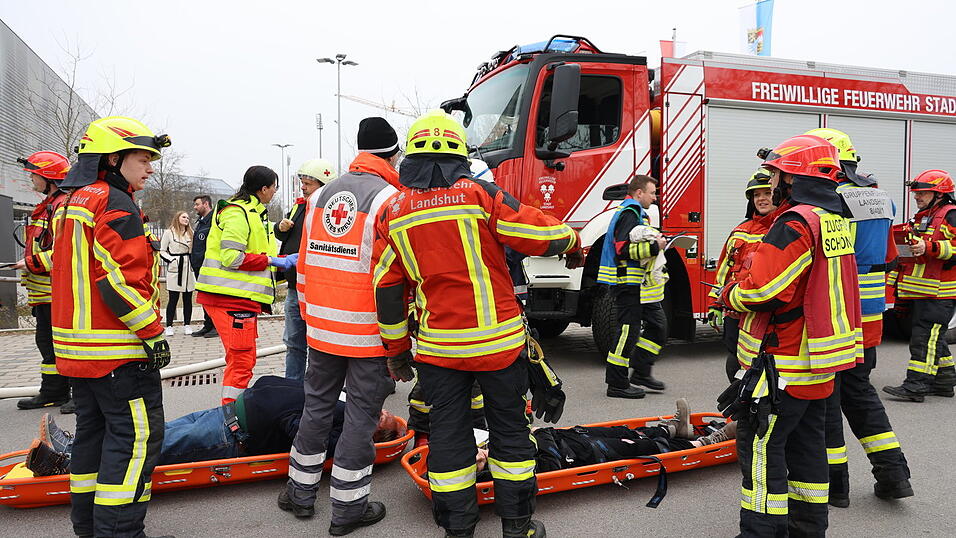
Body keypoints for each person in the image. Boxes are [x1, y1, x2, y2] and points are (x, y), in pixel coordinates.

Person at [372, 110, 583, 538]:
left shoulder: (393, 211)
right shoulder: (480, 195)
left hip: (439, 352)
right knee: (510, 435)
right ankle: (517, 527)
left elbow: (387, 290)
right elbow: (539, 235)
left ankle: (457, 530)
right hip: (499, 346)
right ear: (460, 151)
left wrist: (396, 354)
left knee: (448, 439)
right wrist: (573, 240)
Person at [718, 134, 862, 537]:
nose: (773, 181)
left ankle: (761, 533)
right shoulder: (833, 218)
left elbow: (762, 291)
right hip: (818, 364)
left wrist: (729, 292)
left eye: (777, 173)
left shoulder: (795, 222)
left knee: (762, 453)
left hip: (782, 364)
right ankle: (808, 528)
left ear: (794, 178)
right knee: (809, 450)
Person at [51, 116, 172, 538]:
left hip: (77, 351)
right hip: (117, 353)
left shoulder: (71, 201)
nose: (151, 168)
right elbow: (120, 280)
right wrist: (153, 332)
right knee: (135, 440)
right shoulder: (114, 202)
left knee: (92, 437)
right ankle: (120, 532)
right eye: (144, 158)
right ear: (114, 157)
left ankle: (87, 526)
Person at [281, 117, 402, 535]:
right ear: (393, 154)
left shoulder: (320, 197)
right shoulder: (391, 198)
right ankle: (348, 509)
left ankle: (299, 492)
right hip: (368, 333)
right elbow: (394, 275)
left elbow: (305, 266)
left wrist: (312, 318)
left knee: (314, 407)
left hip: (322, 329)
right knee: (360, 418)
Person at [804, 128, 912, 507]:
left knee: (827, 403)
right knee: (861, 396)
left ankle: (836, 486)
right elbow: (886, 252)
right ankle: (893, 472)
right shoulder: (879, 196)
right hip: (869, 316)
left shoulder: (831, 199)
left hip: (838, 313)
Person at [23, 375, 404, 476]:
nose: (383, 414)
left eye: (384, 422)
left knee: (151, 448)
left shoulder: (345, 427)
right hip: (225, 417)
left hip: (231, 437)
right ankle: (78, 444)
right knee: (150, 436)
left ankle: (68, 462)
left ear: (375, 433)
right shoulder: (344, 400)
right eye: (386, 413)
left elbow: (302, 433)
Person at [196, 166, 287, 405]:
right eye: (274, 187)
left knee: (241, 360)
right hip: (230, 299)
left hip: (237, 298)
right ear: (264, 188)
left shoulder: (254, 212)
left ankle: (231, 415)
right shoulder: (238, 213)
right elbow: (232, 258)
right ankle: (231, 419)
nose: (275, 192)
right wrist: (272, 260)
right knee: (242, 362)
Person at [475, 399, 736, 475]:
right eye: (479, 460)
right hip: (585, 453)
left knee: (624, 431)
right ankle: (705, 442)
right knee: (643, 446)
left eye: (477, 452)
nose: (480, 454)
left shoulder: (493, 448)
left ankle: (673, 428)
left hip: (573, 436)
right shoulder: (508, 471)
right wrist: (537, 438)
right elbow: (550, 466)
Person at [884, 169, 956, 401]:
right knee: (933, 336)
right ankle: (944, 380)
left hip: (941, 292)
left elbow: (951, 248)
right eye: (916, 193)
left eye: (923, 193)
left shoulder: (951, 215)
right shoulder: (923, 216)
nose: (917, 197)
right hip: (922, 290)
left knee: (925, 339)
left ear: (939, 194)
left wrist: (930, 248)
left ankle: (916, 385)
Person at [13, 151, 73, 412]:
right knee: (47, 343)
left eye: (35, 175)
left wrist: (31, 263)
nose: (32, 181)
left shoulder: (60, 207)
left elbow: (65, 249)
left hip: (57, 291)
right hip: (45, 291)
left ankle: (76, 394)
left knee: (65, 345)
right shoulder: (49, 205)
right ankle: (53, 391)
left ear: (48, 177)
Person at [598, 175, 666, 399]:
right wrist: (655, 248)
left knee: (657, 326)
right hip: (626, 284)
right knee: (627, 332)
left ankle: (641, 372)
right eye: (652, 193)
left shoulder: (636, 213)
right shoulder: (630, 213)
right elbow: (623, 250)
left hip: (638, 285)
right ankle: (617, 383)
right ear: (639, 193)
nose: (654, 197)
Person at [708, 169, 778, 381]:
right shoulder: (741, 230)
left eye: (767, 193)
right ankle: (742, 410)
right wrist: (714, 304)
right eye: (756, 195)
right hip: (735, 311)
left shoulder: (783, 228)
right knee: (734, 364)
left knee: (764, 368)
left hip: (765, 311)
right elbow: (724, 270)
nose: (761, 199)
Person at [274, 158, 335, 381]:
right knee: (293, 343)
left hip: (320, 290)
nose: (303, 187)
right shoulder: (299, 206)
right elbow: (284, 235)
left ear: (324, 184)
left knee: (322, 345)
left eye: (308, 183)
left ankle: (322, 388)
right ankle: (292, 386)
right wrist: (280, 228)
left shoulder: (331, 210)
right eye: (303, 183)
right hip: (294, 288)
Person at [160, 210, 196, 335]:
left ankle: (187, 324)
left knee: (188, 299)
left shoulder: (191, 233)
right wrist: (172, 260)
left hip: (188, 268)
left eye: (188, 217)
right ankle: (169, 325)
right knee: (173, 298)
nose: (186, 219)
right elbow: (162, 251)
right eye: (184, 217)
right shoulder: (168, 233)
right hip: (175, 267)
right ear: (177, 218)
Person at [190, 194, 218, 338]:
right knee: (204, 297)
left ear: (206, 204)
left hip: (209, 266)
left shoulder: (214, 220)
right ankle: (208, 325)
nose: (195, 207)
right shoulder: (201, 222)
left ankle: (216, 326)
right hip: (199, 266)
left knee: (212, 297)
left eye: (197, 204)